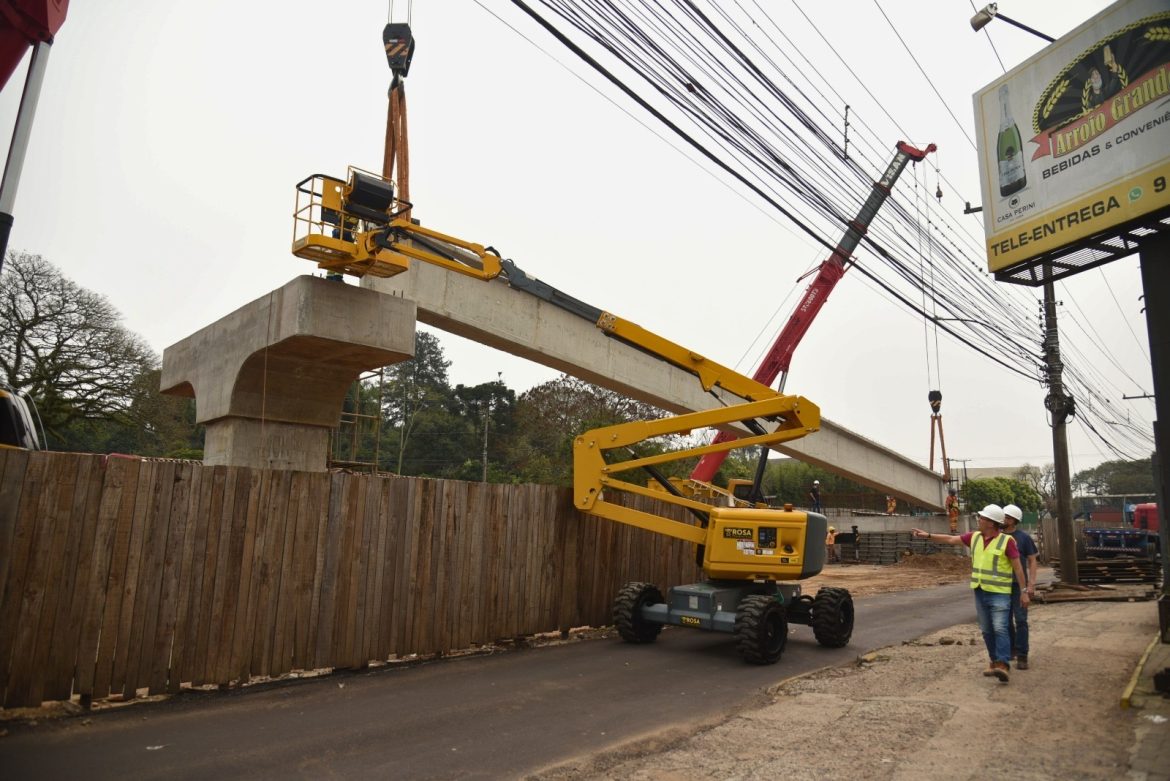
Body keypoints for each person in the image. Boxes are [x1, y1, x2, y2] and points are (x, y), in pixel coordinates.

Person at [911, 504, 1029, 683]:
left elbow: (1018, 568)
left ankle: (1003, 664)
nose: (978, 520)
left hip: (999, 593)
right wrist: (927, 535)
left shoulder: (1007, 542)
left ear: (991, 523)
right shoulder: (974, 537)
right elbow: (951, 540)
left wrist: (1024, 591)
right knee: (987, 630)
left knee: (1000, 628)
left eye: (982, 518)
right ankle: (995, 661)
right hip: (980, 591)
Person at [1002, 504, 1039, 670]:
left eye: (1007, 517)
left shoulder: (1023, 538)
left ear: (1014, 520)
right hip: (1001, 585)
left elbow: (1032, 560)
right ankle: (1012, 650)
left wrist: (1031, 584)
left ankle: (1023, 655)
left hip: (1019, 586)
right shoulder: (997, 537)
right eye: (1004, 516)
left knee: (1021, 620)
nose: (1004, 519)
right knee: (1005, 621)